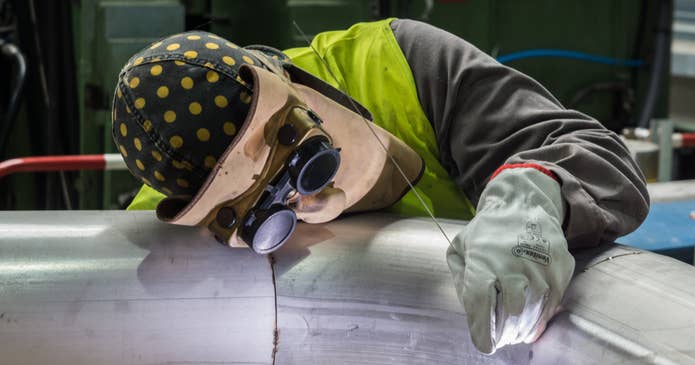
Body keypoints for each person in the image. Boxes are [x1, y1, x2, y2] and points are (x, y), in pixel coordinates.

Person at [111, 19, 649, 354]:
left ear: (296, 79)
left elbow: (598, 154)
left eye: (306, 162)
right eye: (267, 214)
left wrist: (535, 191)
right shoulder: (171, 245)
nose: (311, 202)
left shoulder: (402, 63)